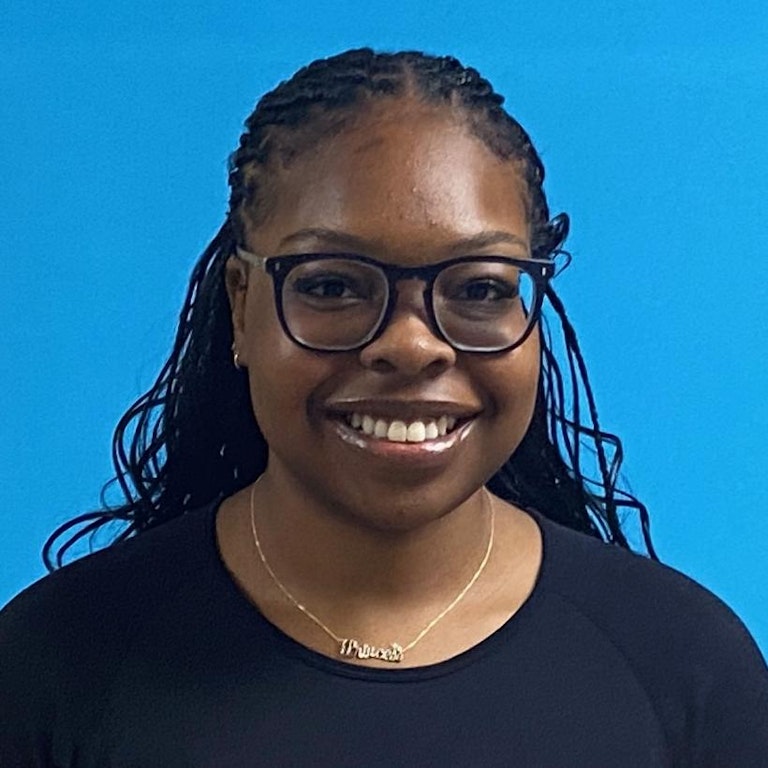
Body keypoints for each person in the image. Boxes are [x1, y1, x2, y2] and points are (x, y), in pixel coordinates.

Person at [1, 48, 766, 767]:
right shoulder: (54, 666)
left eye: (480, 288)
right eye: (332, 285)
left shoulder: (685, 670)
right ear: (241, 307)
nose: (410, 345)